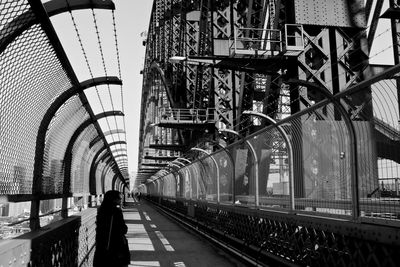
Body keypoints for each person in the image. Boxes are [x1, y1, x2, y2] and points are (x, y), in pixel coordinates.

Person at [93, 190, 130, 267]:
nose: (121, 200)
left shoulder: (101, 210)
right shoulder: (116, 211)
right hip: (116, 247)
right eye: (119, 198)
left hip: (102, 247)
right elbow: (123, 229)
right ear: (113, 199)